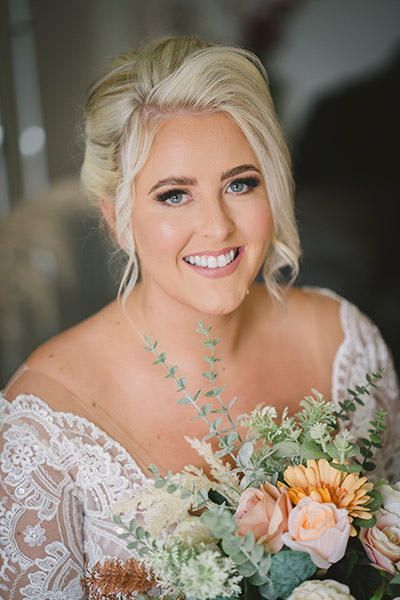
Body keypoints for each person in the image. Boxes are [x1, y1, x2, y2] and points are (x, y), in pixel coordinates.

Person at [0, 36, 399, 598]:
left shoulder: (342, 342)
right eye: (173, 195)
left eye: (240, 184)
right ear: (116, 217)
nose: (217, 226)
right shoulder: (43, 423)